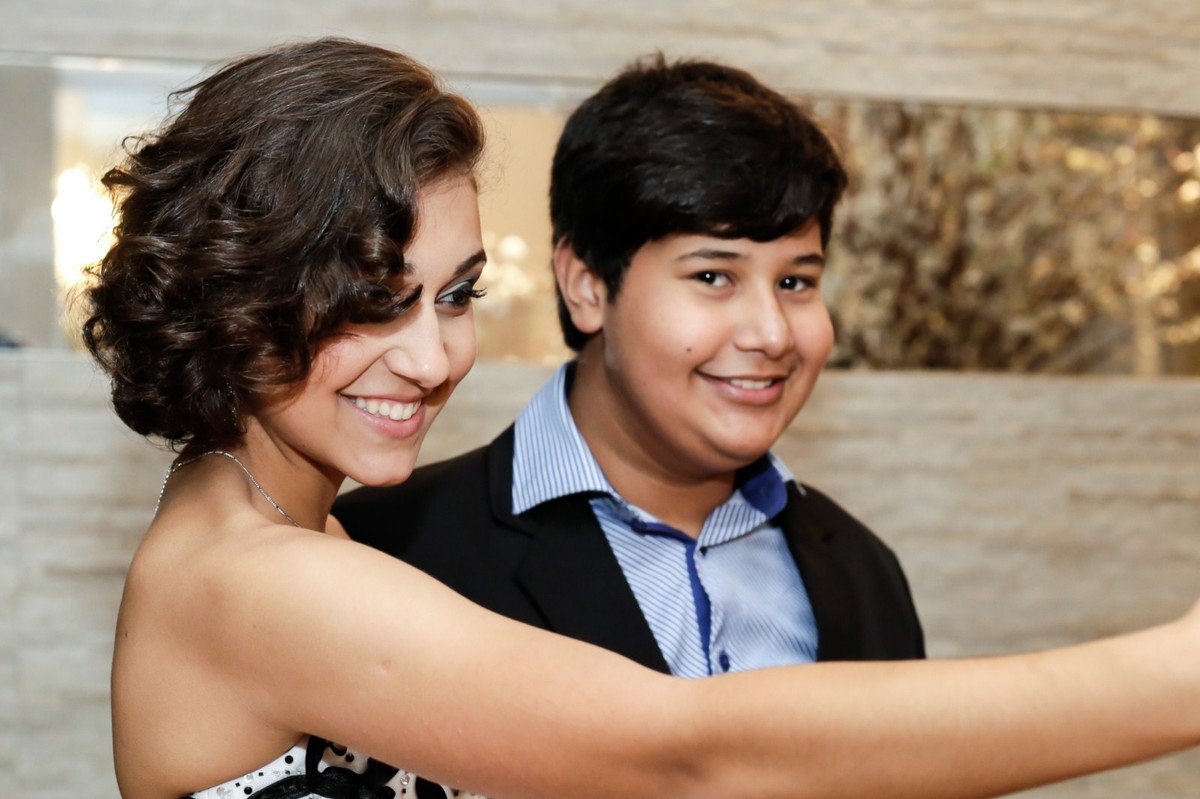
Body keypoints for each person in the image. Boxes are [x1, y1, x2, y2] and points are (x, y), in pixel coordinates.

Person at [83, 36, 1200, 799]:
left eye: (457, 297)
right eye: (372, 301)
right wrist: (1173, 676)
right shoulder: (257, 581)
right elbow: (688, 755)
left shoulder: (284, 534)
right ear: (243, 288)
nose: (432, 358)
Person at [334, 56, 924, 676]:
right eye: (713, 276)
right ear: (586, 285)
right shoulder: (383, 549)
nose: (772, 334)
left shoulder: (861, 570)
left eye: (796, 282)